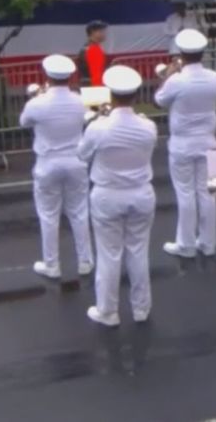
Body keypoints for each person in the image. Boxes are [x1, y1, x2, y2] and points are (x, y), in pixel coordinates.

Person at [78, 65, 158, 326]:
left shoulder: (99, 128)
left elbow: (82, 155)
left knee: (109, 254)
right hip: (141, 193)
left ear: (110, 95)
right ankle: (141, 308)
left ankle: (108, 311)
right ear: (135, 95)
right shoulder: (149, 127)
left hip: (107, 195)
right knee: (138, 251)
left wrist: (96, 120)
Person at [19, 55, 94, 280]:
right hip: (75, 160)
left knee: (49, 215)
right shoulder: (79, 100)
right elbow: (85, 118)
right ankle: (86, 261)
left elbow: (24, 122)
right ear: (69, 77)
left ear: (46, 76)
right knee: (79, 212)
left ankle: (52, 264)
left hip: (48, 162)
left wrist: (37, 96)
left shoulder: (37, 102)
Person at [156, 29, 216, 258]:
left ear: (181, 54)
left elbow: (159, 101)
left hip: (183, 143)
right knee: (207, 193)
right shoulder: (215, 77)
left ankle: (186, 245)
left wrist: (169, 74)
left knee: (185, 194)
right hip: (207, 140)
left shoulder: (176, 80)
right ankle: (208, 243)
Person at [76, 20, 109, 87]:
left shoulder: (87, 47)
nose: (104, 33)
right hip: (93, 90)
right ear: (93, 32)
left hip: (86, 87)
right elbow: (96, 76)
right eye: (101, 31)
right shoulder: (93, 50)